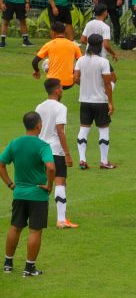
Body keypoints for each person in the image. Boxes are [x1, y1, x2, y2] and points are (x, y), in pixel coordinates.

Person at [1, 111, 55, 277]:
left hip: (19, 194)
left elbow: (1, 164)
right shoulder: (42, 146)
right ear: (38, 125)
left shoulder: (15, 143)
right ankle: (29, 268)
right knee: (35, 230)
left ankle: (8, 264)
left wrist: (10, 184)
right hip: (37, 194)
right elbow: (51, 167)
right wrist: (49, 185)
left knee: (15, 227)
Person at [35, 78, 78, 229]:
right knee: (60, 182)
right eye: (61, 87)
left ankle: (34, 216)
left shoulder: (39, 107)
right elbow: (60, 131)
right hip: (55, 150)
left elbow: (36, 129)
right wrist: (67, 153)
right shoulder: (61, 108)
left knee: (41, 182)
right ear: (57, 90)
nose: (62, 90)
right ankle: (61, 220)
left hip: (40, 150)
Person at [73, 34, 115, 170]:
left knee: (84, 129)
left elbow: (75, 78)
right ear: (101, 44)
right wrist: (110, 102)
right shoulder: (103, 62)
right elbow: (108, 84)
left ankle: (82, 159)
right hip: (100, 101)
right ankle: (104, 161)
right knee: (103, 130)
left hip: (84, 101)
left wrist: (85, 85)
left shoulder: (80, 60)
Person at [31, 22, 82, 90]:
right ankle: (84, 86)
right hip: (69, 83)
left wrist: (37, 71)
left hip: (53, 83)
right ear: (64, 32)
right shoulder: (74, 45)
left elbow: (34, 62)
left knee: (46, 62)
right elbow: (81, 63)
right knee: (76, 66)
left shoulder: (49, 45)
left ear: (53, 32)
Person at [80, 3, 119, 89]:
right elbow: (106, 45)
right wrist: (113, 53)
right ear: (105, 13)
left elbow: (82, 40)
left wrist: (91, 44)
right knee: (112, 79)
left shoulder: (89, 24)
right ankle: (103, 97)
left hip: (89, 55)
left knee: (94, 80)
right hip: (101, 57)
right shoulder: (105, 27)